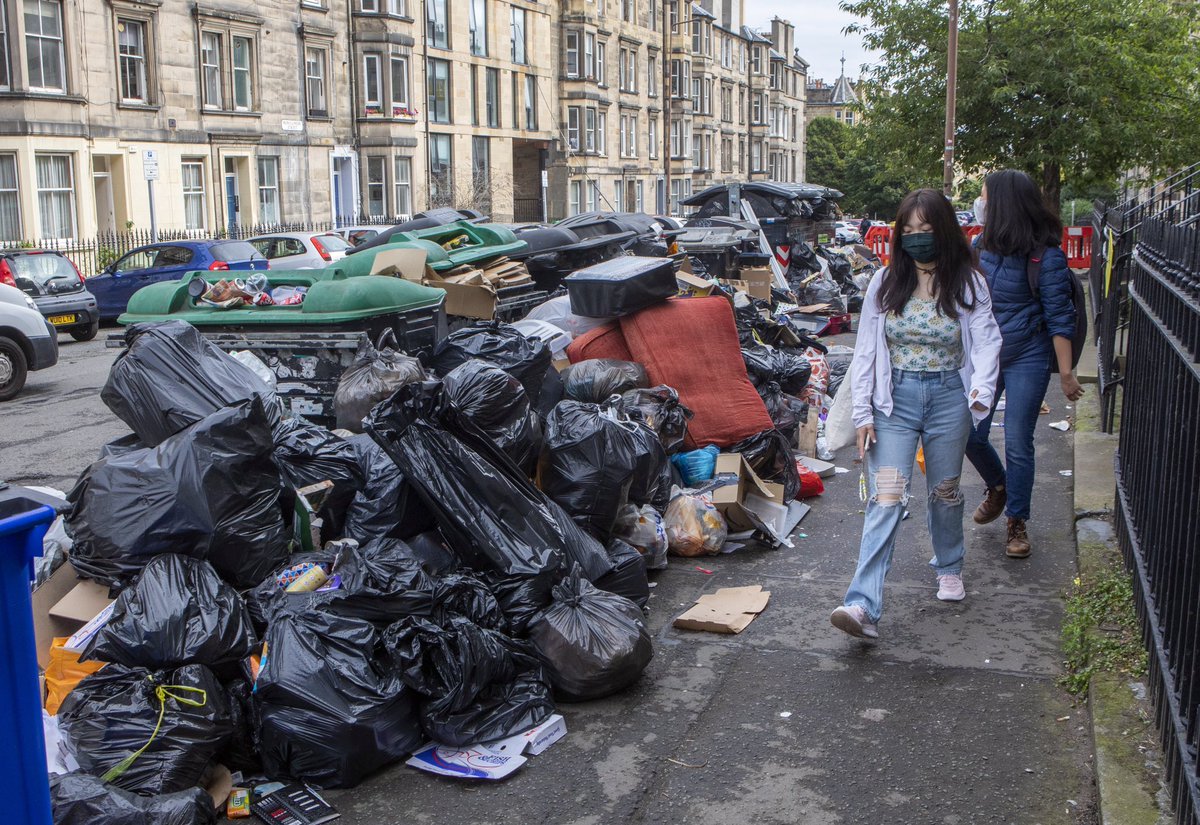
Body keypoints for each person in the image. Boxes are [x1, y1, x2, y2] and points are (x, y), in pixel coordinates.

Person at [831, 189, 1002, 639]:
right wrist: (864, 412)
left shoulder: (968, 283)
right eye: (908, 231)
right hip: (895, 403)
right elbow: (866, 352)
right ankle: (861, 604)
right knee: (886, 497)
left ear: (943, 231)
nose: (916, 238)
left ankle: (949, 565)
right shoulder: (884, 283)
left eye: (925, 230)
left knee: (944, 491)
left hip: (949, 399)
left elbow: (986, 340)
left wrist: (980, 393)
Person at [964, 170, 1083, 558]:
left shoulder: (1045, 256)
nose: (979, 202)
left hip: (1027, 355)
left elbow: (1060, 316)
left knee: (1018, 442)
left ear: (1002, 204)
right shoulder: (981, 246)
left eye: (983, 196)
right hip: (986, 356)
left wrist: (1066, 373)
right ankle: (999, 487)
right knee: (969, 434)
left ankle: (1017, 521)